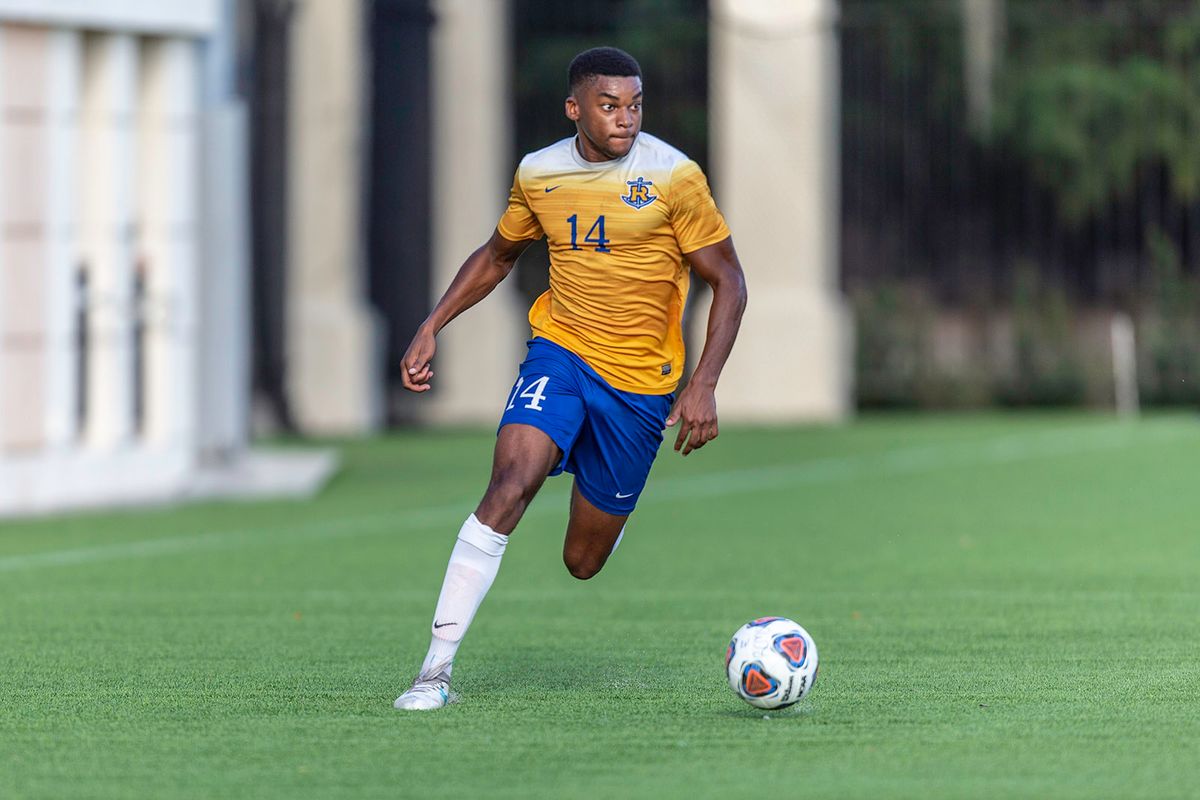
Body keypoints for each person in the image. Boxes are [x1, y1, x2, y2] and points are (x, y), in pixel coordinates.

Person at [394, 46, 747, 710]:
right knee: (509, 483)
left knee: (582, 562)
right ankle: (434, 671)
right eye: (610, 105)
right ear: (574, 108)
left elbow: (728, 279)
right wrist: (431, 323)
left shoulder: (674, 177)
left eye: (635, 104)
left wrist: (703, 382)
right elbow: (499, 255)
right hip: (560, 353)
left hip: (641, 387)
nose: (625, 118)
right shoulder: (539, 173)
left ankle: (605, 484)